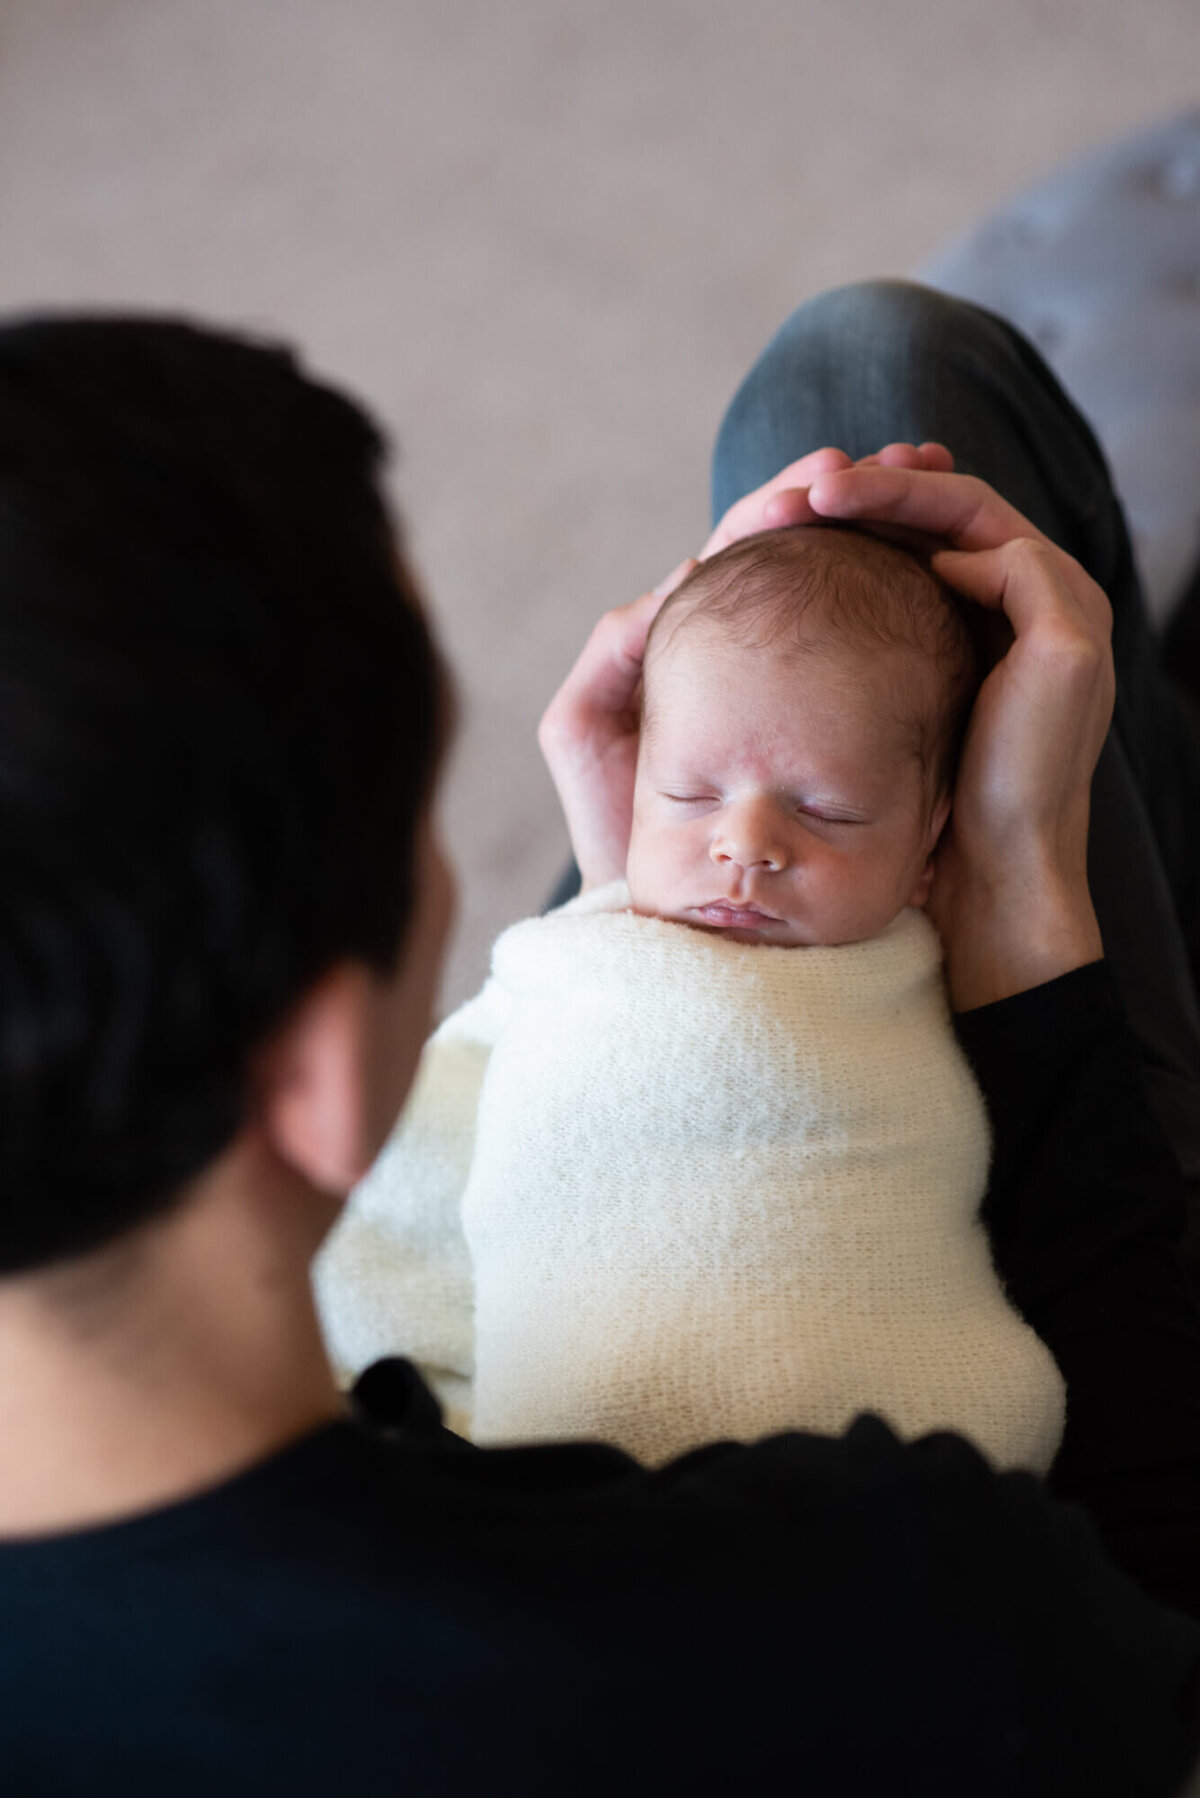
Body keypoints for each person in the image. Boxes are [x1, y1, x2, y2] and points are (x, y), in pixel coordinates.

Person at [0, 287, 1198, 1795]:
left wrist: (653, 908)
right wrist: (1026, 881)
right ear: (311, 1073)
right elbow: (1149, 1624)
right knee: (884, 366)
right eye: (421, 824)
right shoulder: (874, 1600)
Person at [315, 522, 1066, 1475]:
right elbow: (420, 1162)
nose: (746, 844)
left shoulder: (932, 973)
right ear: (637, 791)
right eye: (689, 794)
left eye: (826, 809)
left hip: (887, 1452)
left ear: (929, 848)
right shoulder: (579, 970)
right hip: (595, 1458)